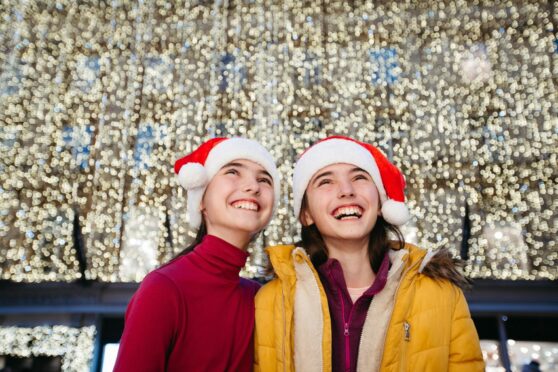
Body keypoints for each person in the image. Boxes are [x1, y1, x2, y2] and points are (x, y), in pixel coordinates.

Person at [254, 135, 484, 371]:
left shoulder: (442, 296)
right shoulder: (271, 301)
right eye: (325, 182)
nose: (346, 190)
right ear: (306, 214)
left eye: (359, 177)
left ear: (380, 203)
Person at [114, 137, 280, 372]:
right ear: (201, 199)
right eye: (233, 172)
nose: (253, 186)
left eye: (264, 179)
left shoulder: (261, 298)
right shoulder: (164, 288)